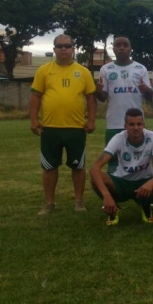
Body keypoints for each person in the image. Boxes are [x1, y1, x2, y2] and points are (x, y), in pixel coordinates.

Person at [29, 34, 97, 215]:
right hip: (50, 127)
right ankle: (49, 203)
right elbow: (35, 95)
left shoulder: (83, 72)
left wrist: (91, 120)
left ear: (73, 48)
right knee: (49, 167)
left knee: (78, 166)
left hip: (76, 128)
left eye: (67, 46)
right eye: (60, 46)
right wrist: (34, 119)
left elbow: (90, 98)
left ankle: (79, 202)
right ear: (54, 49)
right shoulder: (44, 70)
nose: (64, 49)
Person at [89, 108, 153, 225]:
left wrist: (151, 183)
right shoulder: (118, 138)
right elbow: (95, 168)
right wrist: (106, 195)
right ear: (125, 126)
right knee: (97, 178)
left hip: (144, 182)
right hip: (122, 182)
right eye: (131, 124)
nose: (136, 128)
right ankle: (113, 209)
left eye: (139, 124)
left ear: (143, 125)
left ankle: (146, 206)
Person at [95, 36, 153, 172]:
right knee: (113, 160)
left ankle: (136, 185)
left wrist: (146, 90)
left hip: (136, 123)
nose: (122, 48)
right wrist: (97, 91)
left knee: (137, 157)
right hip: (114, 122)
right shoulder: (106, 69)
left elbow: (150, 96)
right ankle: (115, 187)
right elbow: (102, 98)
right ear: (113, 49)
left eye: (125, 45)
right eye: (118, 45)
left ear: (130, 49)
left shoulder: (140, 68)